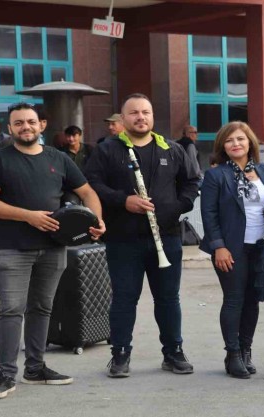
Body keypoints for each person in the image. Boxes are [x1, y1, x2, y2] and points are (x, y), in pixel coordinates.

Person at [0, 102, 105, 400]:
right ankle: (6, 374)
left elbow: (87, 192)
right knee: (11, 310)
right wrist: (28, 216)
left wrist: (97, 220)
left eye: (31, 122)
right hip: (13, 247)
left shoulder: (58, 158)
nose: (26, 127)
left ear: (41, 125)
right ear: (10, 128)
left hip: (53, 247)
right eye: (19, 123)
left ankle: (35, 368)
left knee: (42, 308)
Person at [84, 93, 200, 378]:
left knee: (168, 299)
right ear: (123, 118)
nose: (140, 117)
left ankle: (173, 352)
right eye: (134, 113)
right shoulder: (107, 149)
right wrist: (123, 201)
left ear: (152, 116)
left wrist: (176, 207)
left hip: (166, 236)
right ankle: (120, 354)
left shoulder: (171, 149)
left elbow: (191, 182)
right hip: (123, 239)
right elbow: (92, 184)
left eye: (145, 112)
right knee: (124, 299)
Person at [200, 122, 264, 379]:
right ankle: (232, 354)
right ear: (223, 146)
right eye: (229, 140)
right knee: (234, 299)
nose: (236, 144)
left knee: (252, 300)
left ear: (250, 142)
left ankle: (245, 350)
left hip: (260, 246)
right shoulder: (216, 175)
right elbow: (208, 214)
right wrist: (218, 246)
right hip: (231, 248)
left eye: (240, 139)